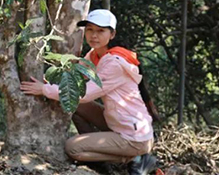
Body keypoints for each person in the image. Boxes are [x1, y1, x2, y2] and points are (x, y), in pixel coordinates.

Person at [20, 9, 159, 175]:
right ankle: (109, 148)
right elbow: (75, 77)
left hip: (134, 137)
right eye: (90, 30)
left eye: (101, 31)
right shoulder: (94, 55)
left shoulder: (115, 62)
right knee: (75, 108)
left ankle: (131, 158)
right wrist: (50, 81)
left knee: (72, 148)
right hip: (118, 122)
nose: (94, 35)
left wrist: (44, 90)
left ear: (112, 34)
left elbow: (82, 95)